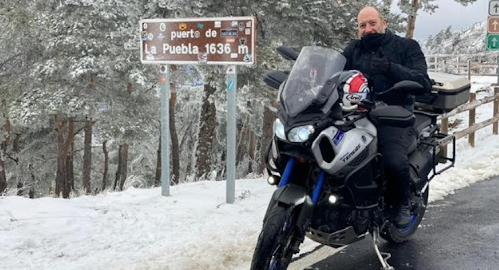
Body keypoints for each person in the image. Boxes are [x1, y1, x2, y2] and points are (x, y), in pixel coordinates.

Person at [342, 6, 432, 227]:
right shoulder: (354, 49)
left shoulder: (406, 46)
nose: (368, 29)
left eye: (372, 23)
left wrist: (391, 68)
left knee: (392, 159)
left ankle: (401, 202)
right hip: (356, 111)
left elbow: (423, 82)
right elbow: (334, 70)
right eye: (362, 25)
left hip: (395, 114)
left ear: (384, 23)